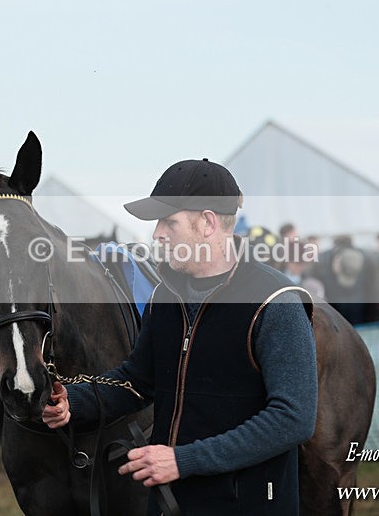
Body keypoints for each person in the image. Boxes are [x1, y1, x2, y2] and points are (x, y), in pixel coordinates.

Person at [43, 159, 318, 514]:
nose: (157, 234)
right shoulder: (165, 296)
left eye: (169, 222)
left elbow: (293, 418)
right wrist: (73, 403)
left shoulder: (275, 302)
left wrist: (183, 460)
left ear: (207, 223)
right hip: (170, 501)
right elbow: (138, 380)